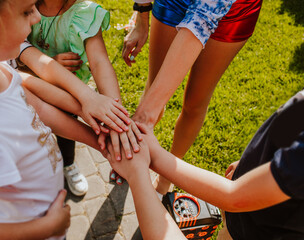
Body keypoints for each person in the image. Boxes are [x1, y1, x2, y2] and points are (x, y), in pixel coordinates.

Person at [0, 0, 105, 238]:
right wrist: (48, 227)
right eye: (26, 11)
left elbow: (36, 107)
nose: (37, 17)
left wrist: (97, 139)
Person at [107, 88, 304, 240]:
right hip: (246, 219)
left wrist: (147, 164)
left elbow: (235, 197)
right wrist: (254, 162)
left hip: (262, 231)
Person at [122, 0, 263, 195]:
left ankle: (166, 178)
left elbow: (202, 17)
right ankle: (132, 156)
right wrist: (142, 15)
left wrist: (144, 116)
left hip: (234, 11)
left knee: (195, 103)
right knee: (154, 88)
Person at [16, 0, 138, 193]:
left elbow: (99, 62)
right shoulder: (22, 5)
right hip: (27, 90)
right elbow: (16, 54)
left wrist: (115, 116)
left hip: (70, 96)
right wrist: (48, 62)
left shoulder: (84, 12)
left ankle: (68, 164)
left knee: (66, 133)